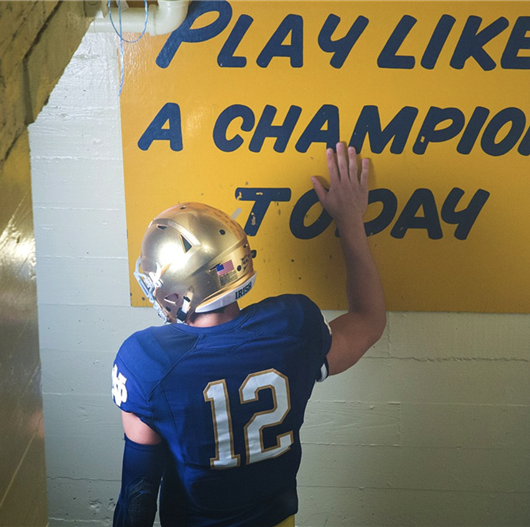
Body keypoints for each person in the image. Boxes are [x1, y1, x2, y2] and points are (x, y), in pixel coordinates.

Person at [110, 143, 386, 527]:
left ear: (176, 289)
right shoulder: (293, 326)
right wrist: (351, 220)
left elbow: (138, 495)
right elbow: (369, 319)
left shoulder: (148, 361)